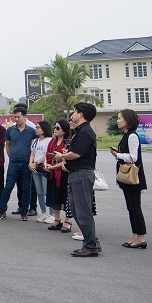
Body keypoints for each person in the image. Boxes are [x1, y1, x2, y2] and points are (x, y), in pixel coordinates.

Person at [52, 102, 100, 257]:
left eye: (74, 111)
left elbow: (77, 154)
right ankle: (91, 240)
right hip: (75, 173)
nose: (72, 114)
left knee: (82, 210)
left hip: (81, 174)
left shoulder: (85, 131)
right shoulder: (79, 131)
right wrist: (67, 157)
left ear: (81, 114)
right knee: (74, 208)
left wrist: (62, 156)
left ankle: (90, 245)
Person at [111, 108, 147, 249]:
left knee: (135, 208)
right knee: (131, 208)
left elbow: (133, 157)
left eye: (120, 118)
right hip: (127, 177)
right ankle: (135, 236)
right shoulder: (127, 135)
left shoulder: (132, 136)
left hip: (133, 177)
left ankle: (141, 237)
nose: (117, 121)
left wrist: (117, 155)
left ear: (128, 120)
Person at [0, 105, 37, 221]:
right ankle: (1, 210)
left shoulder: (32, 131)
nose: (16, 119)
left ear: (24, 117)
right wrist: (11, 156)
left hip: (26, 163)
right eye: (15, 117)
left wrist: (32, 161)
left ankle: (24, 211)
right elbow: (7, 145)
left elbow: (36, 146)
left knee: (26, 187)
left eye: (18, 117)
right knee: (8, 186)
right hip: (14, 162)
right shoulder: (10, 130)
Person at [44, 118, 73, 232]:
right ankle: (57, 219)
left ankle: (68, 220)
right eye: (54, 127)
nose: (55, 130)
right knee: (54, 196)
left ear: (65, 130)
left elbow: (66, 160)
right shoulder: (52, 141)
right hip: (52, 174)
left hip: (64, 173)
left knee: (66, 197)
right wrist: (46, 164)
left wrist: (53, 167)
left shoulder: (67, 142)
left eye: (58, 128)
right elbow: (47, 155)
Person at [28, 120, 52, 222]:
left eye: (38, 127)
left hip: (44, 167)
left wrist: (36, 163)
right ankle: (43, 212)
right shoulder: (35, 141)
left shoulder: (50, 140)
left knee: (47, 191)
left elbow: (47, 154)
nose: (36, 129)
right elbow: (32, 153)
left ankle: (52, 214)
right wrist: (30, 164)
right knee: (40, 192)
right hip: (35, 168)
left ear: (44, 129)